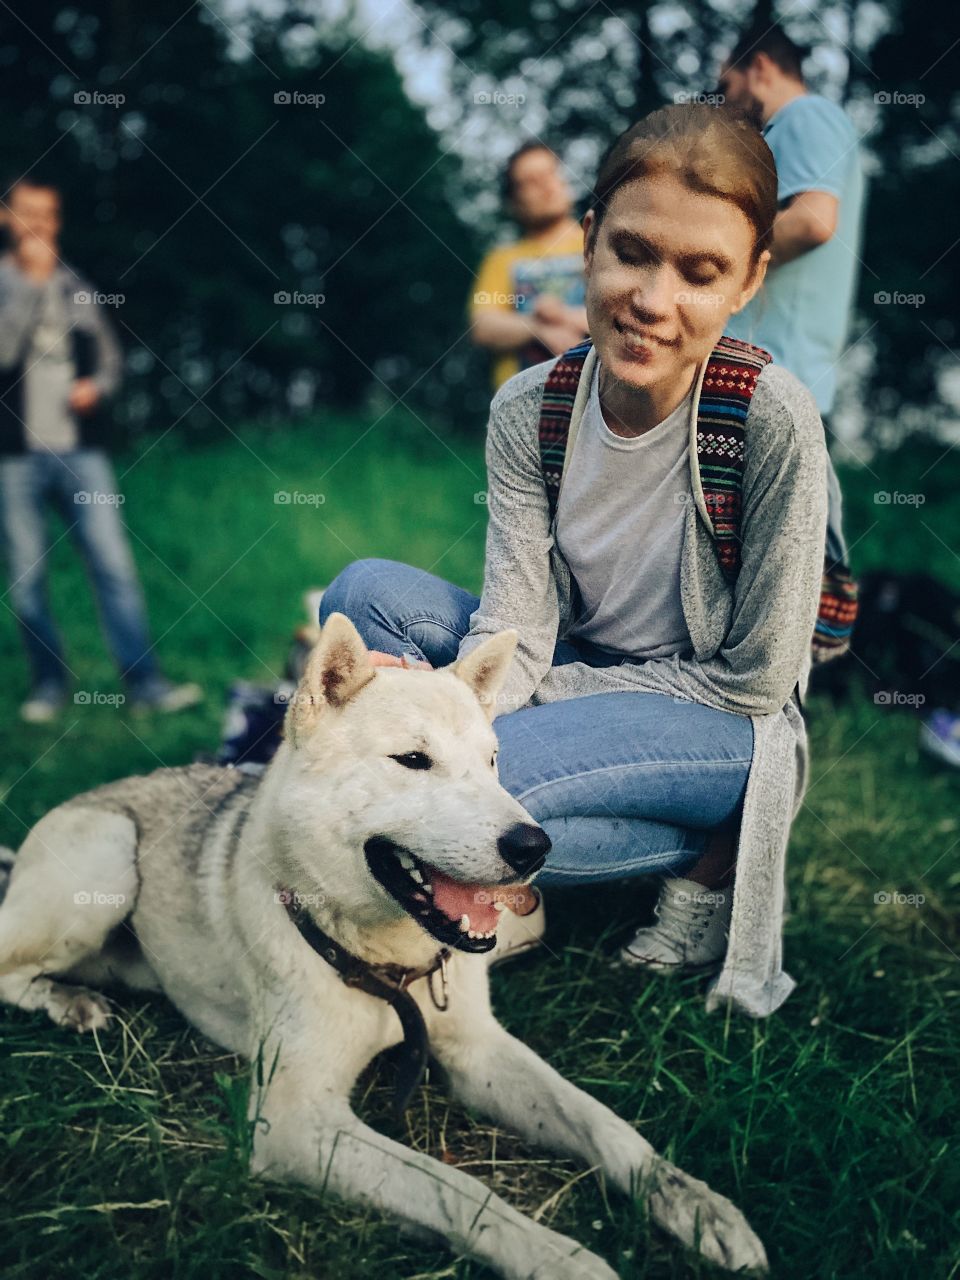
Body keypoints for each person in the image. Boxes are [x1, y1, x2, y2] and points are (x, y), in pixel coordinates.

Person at [319, 103, 830, 1019]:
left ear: (749, 281)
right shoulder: (529, 410)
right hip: (582, 664)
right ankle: (502, 847)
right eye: (634, 252)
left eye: (700, 272)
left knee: (486, 782)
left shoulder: (768, 418)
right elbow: (517, 631)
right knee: (363, 594)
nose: (653, 300)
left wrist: (465, 716)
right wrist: (448, 701)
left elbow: (758, 682)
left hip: (722, 721)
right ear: (590, 240)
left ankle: (715, 856)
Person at [0, 176, 202, 721]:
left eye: (47, 215)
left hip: (82, 455)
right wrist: (29, 283)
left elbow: (112, 363)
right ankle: (46, 685)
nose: (38, 225)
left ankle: (146, 686)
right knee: (26, 578)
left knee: (114, 567)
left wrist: (97, 388)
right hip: (14, 458)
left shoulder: (79, 289)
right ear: (8, 219)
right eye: (28, 214)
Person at [717, 23, 865, 568]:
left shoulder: (803, 116)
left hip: (780, 372)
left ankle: (825, 641)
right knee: (773, 550)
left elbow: (811, 221)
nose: (728, 101)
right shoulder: (793, 129)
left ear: (760, 68)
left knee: (803, 558)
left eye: (728, 85)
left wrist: (710, 263)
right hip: (773, 373)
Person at [470, 142, 589, 392]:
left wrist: (563, 316)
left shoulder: (601, 242)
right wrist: (537, 326)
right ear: (514, 201)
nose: (546, 186)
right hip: (520, 411)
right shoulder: (502, 258)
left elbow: (627, 314)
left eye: (549, 173)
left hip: (597, 406)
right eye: (531, 181)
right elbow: (483, 326)